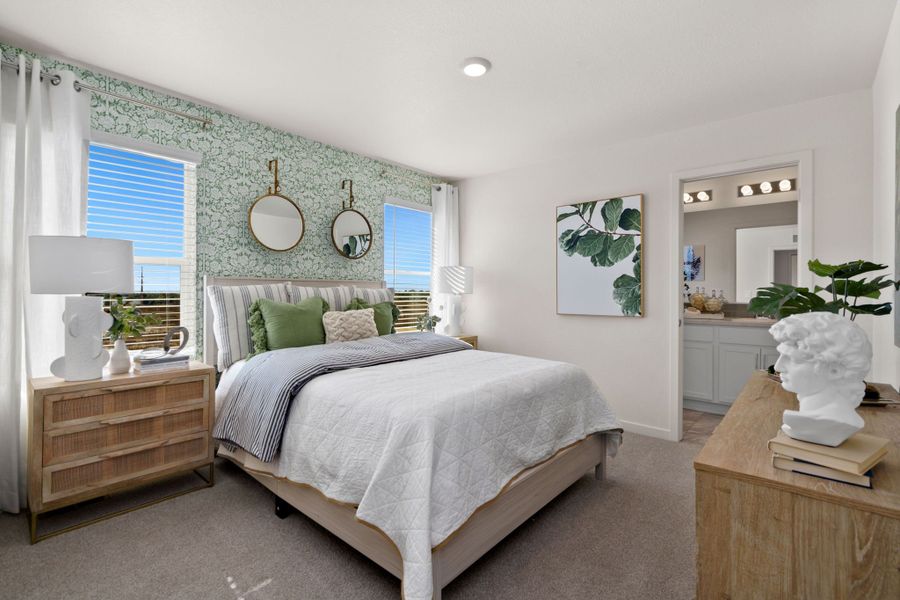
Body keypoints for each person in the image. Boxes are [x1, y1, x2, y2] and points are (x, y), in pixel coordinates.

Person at [769, 311, 872, 447]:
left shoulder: (832, 422)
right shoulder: (820, 416)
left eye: (794, 359)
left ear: (834, 370)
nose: (778, 366)